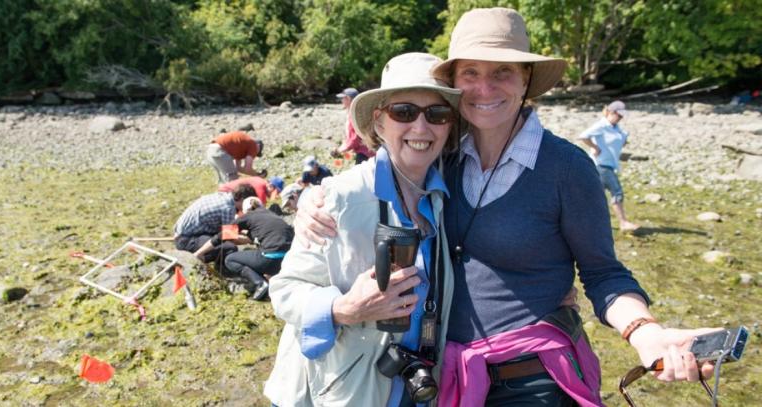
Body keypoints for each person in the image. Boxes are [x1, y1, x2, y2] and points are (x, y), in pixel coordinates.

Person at [295, 8, 720, 406]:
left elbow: (603, 272)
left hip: (531, 378)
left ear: (526, 79)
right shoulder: (444, 156)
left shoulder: (567, 167)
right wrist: (314, 199)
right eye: (471, 73)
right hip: (448, 372)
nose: (485, 87)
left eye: (503, 72)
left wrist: (644, 332)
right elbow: (391, 160)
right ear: (455, 84)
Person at [264, 52, 461, 406]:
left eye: (437, 114)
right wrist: (344, 308)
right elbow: (285, 290)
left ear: (449, 126)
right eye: (404, 112)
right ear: (379, 122)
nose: (421, 128)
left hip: (414, 387)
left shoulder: (450, 194)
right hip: (342, 391)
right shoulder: (339, 196)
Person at [194, 199, 294, 301]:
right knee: (261, 254)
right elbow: (249, 240)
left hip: (270, 258)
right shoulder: (272, 216)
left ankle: (259, 284)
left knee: (230, 259)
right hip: (288, 260)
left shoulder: (248, 216)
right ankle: (270, 283)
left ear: (245, 210)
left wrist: (199, 253)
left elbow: (220, 237)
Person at [578, 100, 639, 231]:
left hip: (610, 165)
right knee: (616, 191)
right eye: (619, 115)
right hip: (601, 165)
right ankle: (623, 223)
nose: (621, 118)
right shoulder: (602, 125)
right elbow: (583, 136)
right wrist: (594, 147)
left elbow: (619, 143)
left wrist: (624, 139)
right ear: (611, 112)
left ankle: (583, 222)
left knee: (595, 195)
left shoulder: (616, 129)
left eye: (622, 116)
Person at [173, 185, 256, 270]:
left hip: (182, 231)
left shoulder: (222, 196)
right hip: (187, 239)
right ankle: (219, 268)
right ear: (242, 199)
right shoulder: (228, 208)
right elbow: (231, 237)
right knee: (230, 248)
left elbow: (231, 228)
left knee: (221, 237)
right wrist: (251, 240)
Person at [332, 87, 376, 165]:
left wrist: (339, 151)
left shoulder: (354, 115)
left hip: (365, 153)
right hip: (369, 151)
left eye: (343, 98)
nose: (341, 100)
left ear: (348, 99)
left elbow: (354, 139)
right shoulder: (358, 112)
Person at [218, 175, 284, 207]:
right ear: (271, 186)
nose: (276, 195)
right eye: (276, 192)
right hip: (226, 193)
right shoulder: (260, 186)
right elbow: (261, 207)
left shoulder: (260, 181)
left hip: (231, 193)